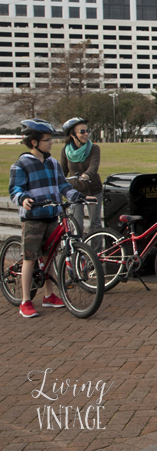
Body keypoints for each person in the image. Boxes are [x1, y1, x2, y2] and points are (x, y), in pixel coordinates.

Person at [9, 119, 91, 318]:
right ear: (34, 142)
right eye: (47, 140)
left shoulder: (53, 163)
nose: (51, 143)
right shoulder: (21, 164)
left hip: (52, 215)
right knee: (30, 258)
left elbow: (63, 186)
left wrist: (77, 196)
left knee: (50, 256)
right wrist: (23, 199)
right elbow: (15, 189)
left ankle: (48, 296)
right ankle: (25, 300)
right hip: (33, 218)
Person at [59, 117, 103, 237]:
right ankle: (78, 253)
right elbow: (63, 171)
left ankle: (95, 253)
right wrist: (58, 186)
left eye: (87, 131)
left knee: (95, 224)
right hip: (75, 191)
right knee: (76, 224)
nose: (86, 134)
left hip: (93, 189)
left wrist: (86, 174)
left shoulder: (94, 148)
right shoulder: (65, 151)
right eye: (82, 132)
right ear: (73, 134)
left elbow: (94, 166)